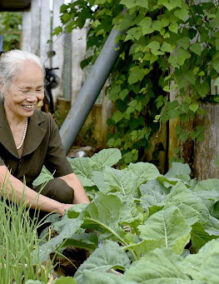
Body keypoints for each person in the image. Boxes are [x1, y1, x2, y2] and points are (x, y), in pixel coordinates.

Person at [0, 49, 89, 216]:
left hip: (23, 207)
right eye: (25, 90)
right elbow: (4, 183)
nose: (33, 98)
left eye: (39, 89)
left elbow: (68, 177)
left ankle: (36, 235)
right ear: (2, 85)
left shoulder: (45, 123)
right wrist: (59, 208)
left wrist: (92, 218)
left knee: (61, 189)